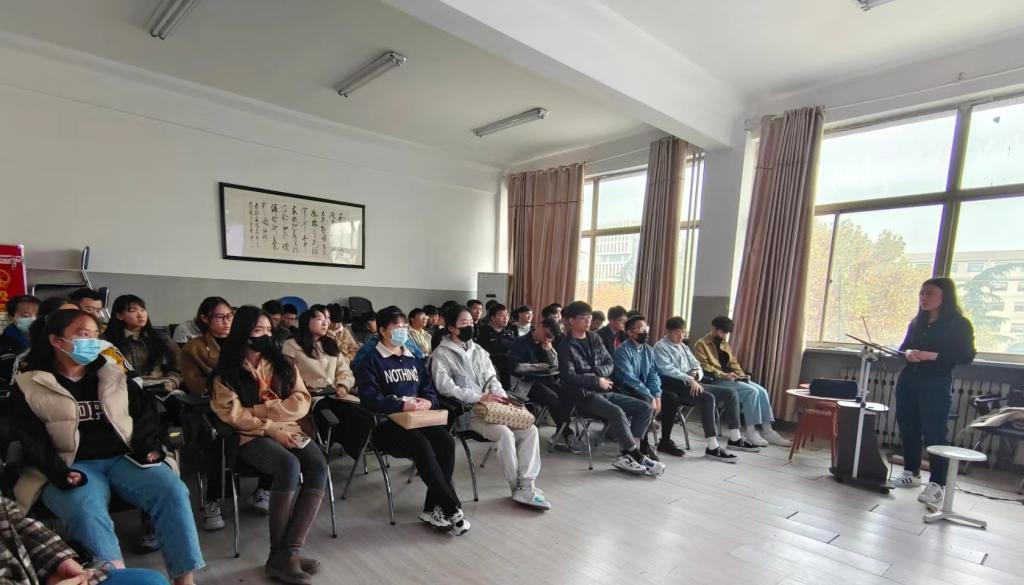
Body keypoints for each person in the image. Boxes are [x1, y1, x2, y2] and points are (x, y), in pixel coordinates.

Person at [11, 309, 204, 585]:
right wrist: (58, 472)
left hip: (124, 458)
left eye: (95, 335)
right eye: (83, 335)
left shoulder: (114, 373)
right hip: (68, 464)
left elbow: (145, 414)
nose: (93, 342)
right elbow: (31, 438)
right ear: (56, 341)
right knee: (85, 508)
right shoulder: (30, 384)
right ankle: (116, 578)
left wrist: (147, 446)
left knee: (172, 490)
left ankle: (185, 579)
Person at [211, 306, 328, 584]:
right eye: (257, 330)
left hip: (289, 427)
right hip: (251, 435)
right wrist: (270, 427)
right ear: (243, 334)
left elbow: (301, 400)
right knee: (288, 465)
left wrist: (264, 410)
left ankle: (287, 553)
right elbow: (234, 415)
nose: (264, 335)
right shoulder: (226, 373)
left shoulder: (284, 364)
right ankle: (282, 556)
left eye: (268, 330)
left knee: (318, 466)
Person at [356, 306, 470, 535]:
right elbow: (369, 398)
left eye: (404, 327)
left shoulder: (413, 358)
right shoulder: (372, 360)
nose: (402, 331)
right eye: (396, 327)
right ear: (382, 330)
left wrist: (427, 401)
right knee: (421, 444)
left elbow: (428, 388)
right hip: (386, 425)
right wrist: (400, 405)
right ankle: (451, 507)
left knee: (446, 442)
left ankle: (432, 509)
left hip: (418, 419)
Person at [431, 305, 550, 510]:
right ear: (451, 327)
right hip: (469, 412)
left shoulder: (479, 351)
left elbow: (492, 378)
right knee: (504, 433)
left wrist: (499, 396)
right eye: (464, 323)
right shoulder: (440, 354)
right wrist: (479, 397)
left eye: (471, 322)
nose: (469, 326)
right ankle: (516, 486)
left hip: (494, 408)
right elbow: (445, 387)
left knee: (530, 430)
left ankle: (527, 483)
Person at [887, 278, 976, 506]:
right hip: (909, 379)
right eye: (921, 293)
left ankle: (937, 483)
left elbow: (966, 356)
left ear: (944, 297)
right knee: (908, 426)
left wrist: (932, 355)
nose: (923, 298)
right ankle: (911, 472)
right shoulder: (917, 322)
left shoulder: (959, 324)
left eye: (929, 293)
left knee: (934, 431)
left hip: (936, 381)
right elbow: (903, 348)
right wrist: (908, 353)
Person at [556, 301, 664, 477]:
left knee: (644, 408)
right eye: (583, 318)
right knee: (617, 412)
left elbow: (609, 363)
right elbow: (569, 376)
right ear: (571, 321)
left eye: (589, 317)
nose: (588, 321)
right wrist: (596, 381)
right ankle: (636, 455)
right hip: (581, 395)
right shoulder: (565, 345)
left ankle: (628, 454)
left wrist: (598, 376)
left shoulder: (594, 338)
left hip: (603, 390)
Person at [180, 296, 247, 531]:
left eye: (230, 316)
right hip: (213, 406)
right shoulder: (194, 347)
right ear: (205, 318)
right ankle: (213, 500)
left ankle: (266, 488)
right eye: (220, 317)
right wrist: (222, 387)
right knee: (219, 439)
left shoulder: (244, 344)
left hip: (246, 405)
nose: (227, 321)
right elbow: (194, 383)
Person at [0, 495, 169, 585]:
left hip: (35, 573)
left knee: (152, 581)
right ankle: (111, 563)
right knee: (86, 509)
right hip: (67, 469)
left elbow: (10, 516)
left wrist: (57, 561)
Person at [654, 317, 758, 456]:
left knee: (731, 393)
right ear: (668, 332)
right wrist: (690, 379)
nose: (681, 336)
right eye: (677, 333)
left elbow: (696, 364)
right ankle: (712, 446)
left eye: (683, 333)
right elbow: (667, 370)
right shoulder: (660, 347)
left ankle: (735, 438)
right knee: (708, 398)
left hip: (693, 383)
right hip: (676, 386)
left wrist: (696, 374)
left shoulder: (683, 346)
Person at [693, 316, 790, 448]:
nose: (724, 335)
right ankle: (751, 431)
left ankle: (768, 431)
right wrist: (725, 375)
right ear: (714, 329)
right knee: (751, 392)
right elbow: (704, 367)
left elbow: (733, 362)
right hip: (715, 380)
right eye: (722, 332)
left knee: (762, 391)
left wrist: (742, 375)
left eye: (726, 333)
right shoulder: (701, 344)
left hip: (731, 377)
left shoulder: (724, 344)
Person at [508, 318, 574, 450]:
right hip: (525, 383)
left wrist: (549, 351)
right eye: (547, 334)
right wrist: (536, 367)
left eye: (550, 337)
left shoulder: (546, 343)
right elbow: (515, 367)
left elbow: (555, 365)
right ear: (540, 326)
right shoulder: (520, 342)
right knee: (551, 397)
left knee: (568, 392)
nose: (547, 338)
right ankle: (566, 434)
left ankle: (561, 432)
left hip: (545, 380)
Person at [103, 295, 182, 392]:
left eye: (143, 310)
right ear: (119, 316)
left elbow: (178, 366)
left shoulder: (161, 338)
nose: (140, 315)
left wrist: (172, 382)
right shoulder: (106, 341)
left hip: (159, 389)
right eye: (133, 311)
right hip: (122, 390)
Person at [282, 306, 355, 398]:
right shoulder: (291, 345)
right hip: (306, 396)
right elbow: (286, 376)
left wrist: (343, 386)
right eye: (320, 319)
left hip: (334, 395)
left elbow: (345, 370)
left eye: (327, 319)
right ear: (307, 321)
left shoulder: (331, 344)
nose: (325, 323)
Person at [475, 303, 517, 386]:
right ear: (492, 318)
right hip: (492, 370)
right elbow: (485, 356)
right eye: (501, 315)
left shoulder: (509, 333)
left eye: (507, 315)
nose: (505, 318)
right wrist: (505, 356)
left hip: (510, 370)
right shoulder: (484, 333)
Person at [1, 295, 39, 362]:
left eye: (37, 315)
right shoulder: (4, 343)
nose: (34, 319)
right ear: (11, 317)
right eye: (26, 316)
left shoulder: (46, 336)